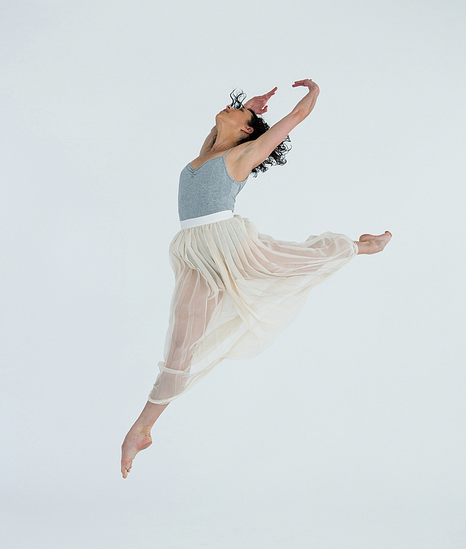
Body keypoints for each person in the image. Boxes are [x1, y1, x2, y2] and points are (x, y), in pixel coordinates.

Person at [121, 79, 391, 478]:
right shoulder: (208, 152)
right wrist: (251, 106)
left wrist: (312, 94)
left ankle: (361, 246)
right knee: (181, 343)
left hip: (227, 245)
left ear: (248, 131)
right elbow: (217, 134)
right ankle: (142, 428)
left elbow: (297, 116)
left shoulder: (245, 154)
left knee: (297, 259)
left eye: (239, 112)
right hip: (197, 254)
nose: (228, 109)